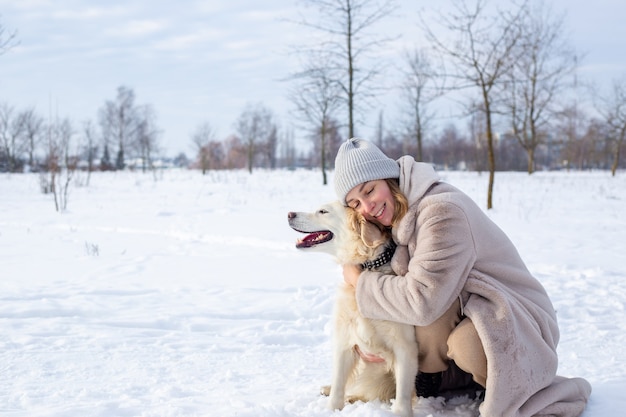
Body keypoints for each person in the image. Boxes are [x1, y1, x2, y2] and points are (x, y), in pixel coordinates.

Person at [333, 137, 591, 417]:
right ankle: (436, 378)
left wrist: (359, 282)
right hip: (470, 305)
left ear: (389, 179)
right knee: (420, 312)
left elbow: (421, 300)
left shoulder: (441, 212)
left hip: (515, 318)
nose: (367, 207)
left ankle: (507, 380)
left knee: (464, 344)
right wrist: (376, 342)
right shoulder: (398, 217)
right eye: (355, 203)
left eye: (369, 191)